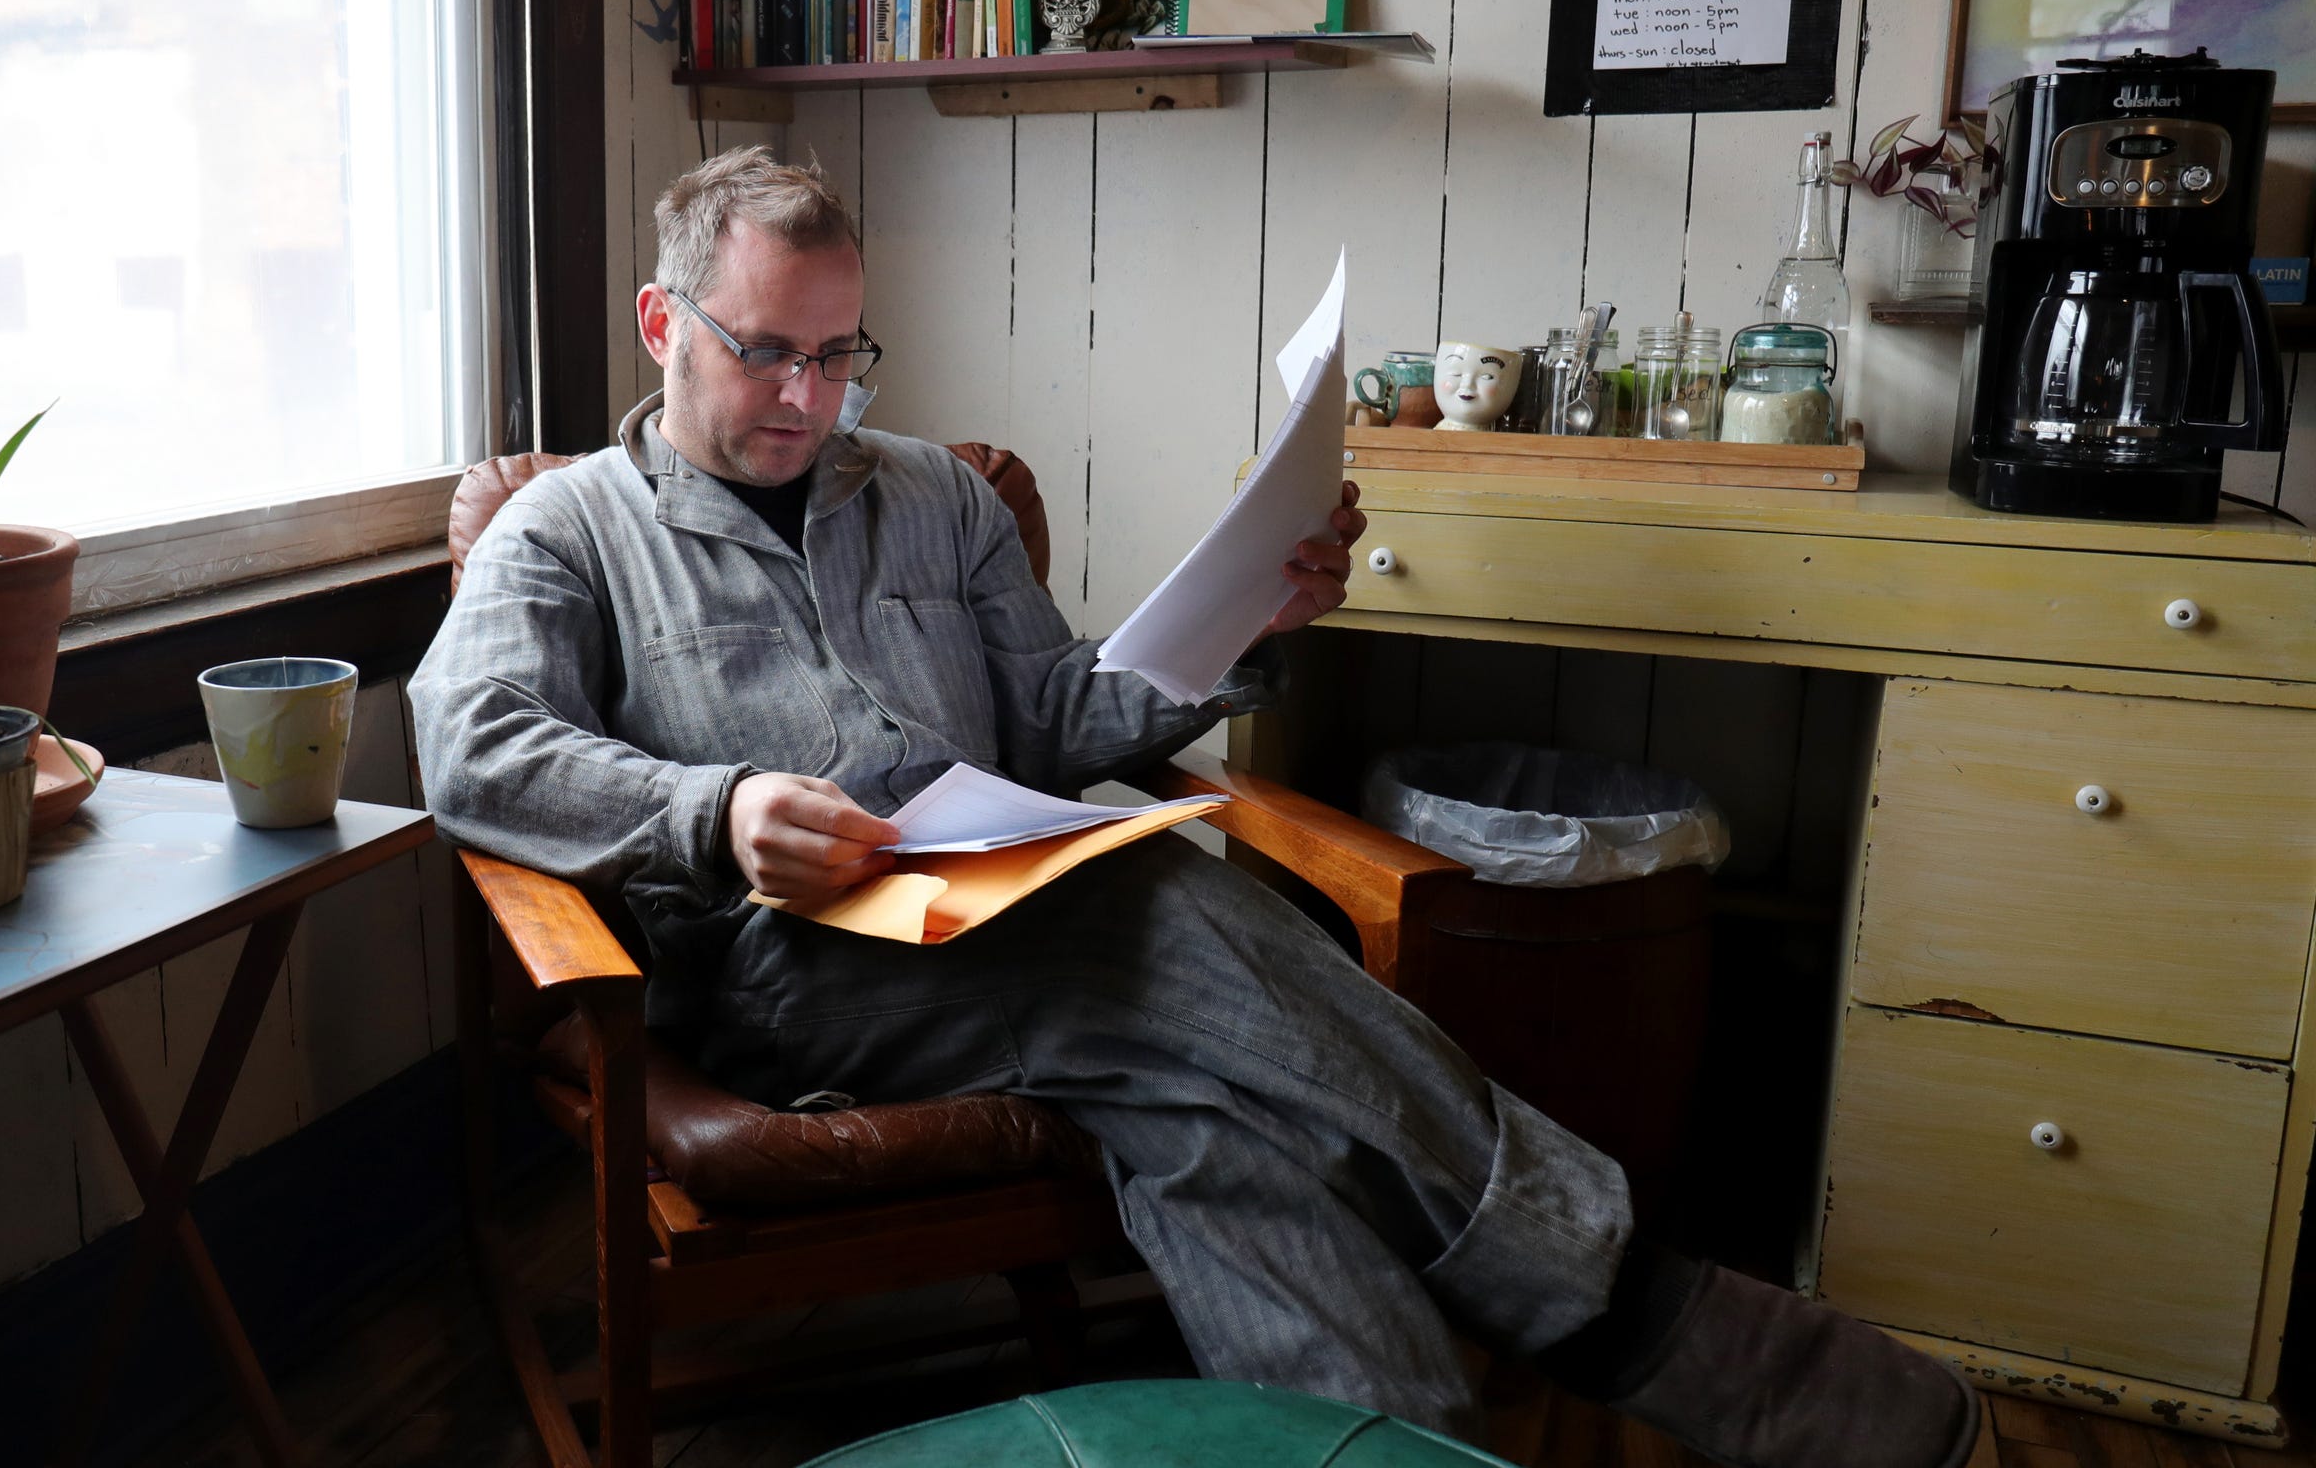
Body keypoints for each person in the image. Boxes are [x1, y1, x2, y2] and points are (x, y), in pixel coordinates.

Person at [409, 147, 1978, 1467]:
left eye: (839, 355)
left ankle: (1396, 1446)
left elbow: (1062, 713)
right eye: (765, 350)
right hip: (794, 962)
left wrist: (1249, 624)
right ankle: (1630, 1307)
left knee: (1204, 1109)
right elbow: (468, 741)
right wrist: (717, 806)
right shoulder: (569, 533)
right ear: (659, 321)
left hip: (1010, 908)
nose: (808, 398)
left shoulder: (934, 496)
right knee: (1163, 910)